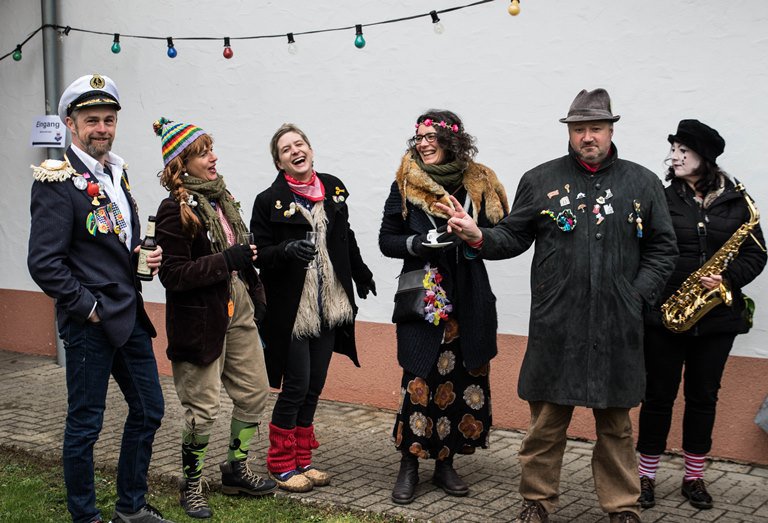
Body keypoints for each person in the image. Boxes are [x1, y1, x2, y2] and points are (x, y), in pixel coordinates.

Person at [439, 89, 678, 523]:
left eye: (596, 128)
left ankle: (622, 506)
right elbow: (512, 236)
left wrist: (637, 294)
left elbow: (664, 248)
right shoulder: (541, 179)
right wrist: (477, 235)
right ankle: (537, 500)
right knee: (546, 425)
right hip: (558, 324)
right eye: (579, 129)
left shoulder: (642, 183)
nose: (588, 136)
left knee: (617, 427)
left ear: (610, 130)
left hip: (617, 326)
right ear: (569, 132)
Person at [27, 75, 172, 523]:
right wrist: (87, 308)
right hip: (90, 321)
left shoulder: (115, 173)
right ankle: (85, 517)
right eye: (92, 120)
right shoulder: (56, 181)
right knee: (85, 425)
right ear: (71, 124)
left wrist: (142, 255)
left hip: (128, 315)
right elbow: (44, 262)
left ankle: (130, 508)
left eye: (109, 120)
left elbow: (109, 242)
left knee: (149, 409)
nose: (102, 128)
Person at [378, 109, 509, 504]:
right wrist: (417, 245)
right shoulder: (405, 185)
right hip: (424, 297)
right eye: (419, 138)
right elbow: (387, 239)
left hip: (468, 297)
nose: (424, 143)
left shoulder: (479, 182)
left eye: (432, 137)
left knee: (463, 381)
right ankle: (409, 464)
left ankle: (446, 464)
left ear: (452, 142)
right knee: (420, 383)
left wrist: (473, 233)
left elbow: (502, 234)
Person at [636, 120, 766, 510]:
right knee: (657, 397)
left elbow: (756, 253)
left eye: (683, 152)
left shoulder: (739, 202)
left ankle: (694, 477)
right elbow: (640, 249)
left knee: (703, 397)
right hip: (665, 314)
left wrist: (726, 278)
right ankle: (645, 476)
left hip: (716, 317)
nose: (674, 157)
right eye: (673, 150)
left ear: (704, 159)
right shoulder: (659, 197)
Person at [153, 118, 278, 519]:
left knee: (255, 391)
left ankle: (235, 469)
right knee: (203, 408)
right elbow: (172, 275)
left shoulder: (222, 198)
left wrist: (255, 292)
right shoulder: (175, 209)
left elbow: (238, 256)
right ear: (182, 163)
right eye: (204, 152)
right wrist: (227, 259)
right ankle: (191, 485)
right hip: (199, 319)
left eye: (211, 149)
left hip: (236, 305)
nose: (213, 157)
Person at [250, 123, 376, 492]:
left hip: (329, 305)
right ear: (279, 162)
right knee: (296, 386)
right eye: (286, 149)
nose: (295, 151)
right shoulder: (268, 201)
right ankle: (279, 463)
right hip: (292, 311)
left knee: (315, 386)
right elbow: (260, 255)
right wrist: (285, 251)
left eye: (299, 143)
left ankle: (303, 459)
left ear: (311, 150)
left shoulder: (332, 190)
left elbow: (345, 238)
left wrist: (362, 272)